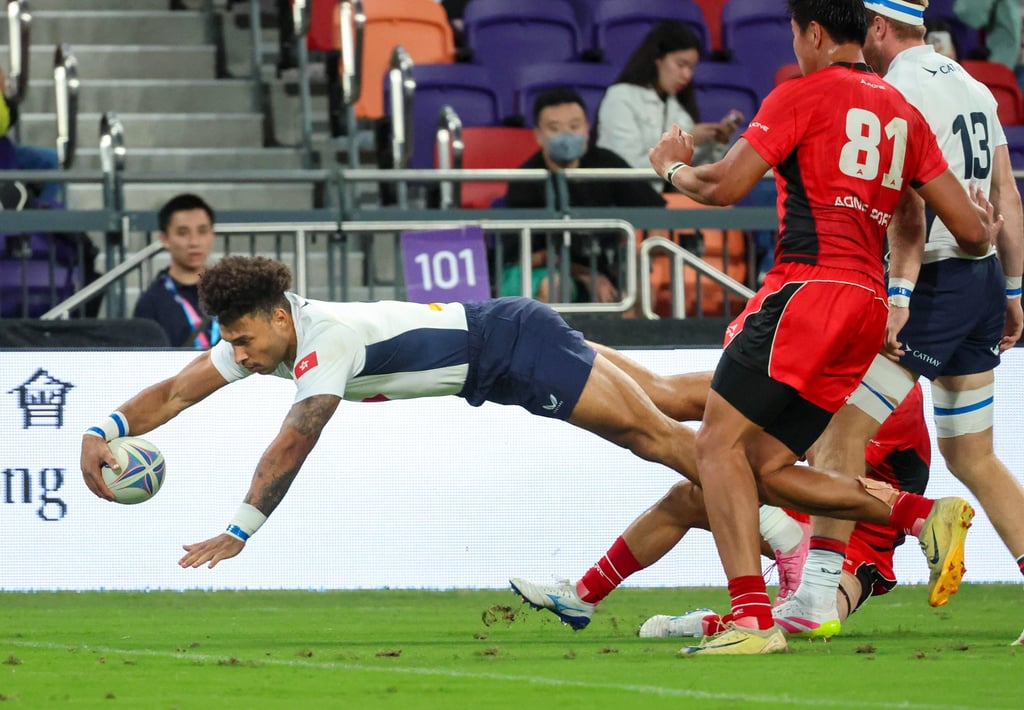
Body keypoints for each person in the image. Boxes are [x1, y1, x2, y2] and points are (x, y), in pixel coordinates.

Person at [81, 257, 973, 593]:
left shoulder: (324, 344)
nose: (239, 353)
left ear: (279, 316)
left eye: (245, 337)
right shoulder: (268, 342)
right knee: (672, 408)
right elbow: (178, 390)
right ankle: (795, 455)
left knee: (679, 448)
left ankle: (857, 524)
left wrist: (242, 528)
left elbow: (296, 438)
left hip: (511, 352)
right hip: (509, 338)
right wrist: (103, 427)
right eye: (233, 342)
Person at [647, 0, 998, 655]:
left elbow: (723, 187)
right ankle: (922, 515)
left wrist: (669, 167)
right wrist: (985, 228)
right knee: (766, 465)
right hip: (867, 308)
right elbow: (969, 231)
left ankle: (753, 620)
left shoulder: (799, 94)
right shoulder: (902, 112)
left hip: (808, 293)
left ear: (812, 32)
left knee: (717, 446)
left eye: (793, 34)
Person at [775, 0, 1024, 647]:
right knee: (973, 455)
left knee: (840, 432)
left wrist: (899, 293)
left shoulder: (894, 91)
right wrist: (1014, 290)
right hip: (983, 279)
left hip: (932, 283)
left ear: (879, 28)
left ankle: (815, 591)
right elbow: (1008, 194)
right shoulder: (974, 85)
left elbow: (911, 205)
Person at [509, 383, 931, 639]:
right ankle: (582, 596)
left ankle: (708, 623)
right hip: (810, 510)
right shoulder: (823, 360)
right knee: (688, 496)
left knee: (813, 622)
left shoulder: (889, 392)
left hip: (861, 542)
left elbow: (831, 472)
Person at [500, 87, 664, 304]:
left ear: (587, 129)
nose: (566, 135)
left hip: (602, 267)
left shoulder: (607, 164)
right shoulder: (526, 179)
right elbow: (530, 257)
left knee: (640, 279)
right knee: (556, 285)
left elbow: (654, 211)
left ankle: (633, 327)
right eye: (555, 128)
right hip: (543, 271)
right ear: (538, 135)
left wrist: (640, 255)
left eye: (574, 126)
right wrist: (587, 275)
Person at [596, 21, 741, 192]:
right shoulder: (621, 97)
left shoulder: (680, 111)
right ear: (657, 58)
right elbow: (625, 167)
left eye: (692, 68)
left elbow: (695, 176)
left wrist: (715, 143)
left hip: (670, 202)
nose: (687, 75)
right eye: (681, 65)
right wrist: (679, 145)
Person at [132, 194, 220, 349]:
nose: (194, 242)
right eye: (183, 233)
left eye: (202, 231)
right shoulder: (151, 302)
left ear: (212, 235)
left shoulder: (230, 293)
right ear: (165, 239)